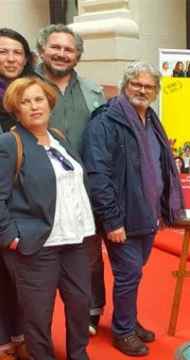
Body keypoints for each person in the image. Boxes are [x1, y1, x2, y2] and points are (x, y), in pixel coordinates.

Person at [81, 62, 184, 357]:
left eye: (149, 86)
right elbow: (98, 175)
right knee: (128, 274)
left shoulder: (151, 118)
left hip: (147, 214)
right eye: (136, 84)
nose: (142, 90)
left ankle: (127, 320)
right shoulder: (105, 122)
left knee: (134, 273)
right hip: (122, 218)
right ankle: (123, 332)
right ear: (126, 85)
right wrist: (112, 221)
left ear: (156, 91)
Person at [0, 76, 96, 360]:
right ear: (16, 110)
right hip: (36, 245)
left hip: (74, 241)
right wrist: (10, 237)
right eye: (25, 102)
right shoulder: (9, 143)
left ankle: (79, 355)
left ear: (49, 103)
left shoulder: (60, 138)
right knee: (37, 315)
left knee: (80, 305)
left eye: (38, 99)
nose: (33, 106)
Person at [35, 23, 107, 337]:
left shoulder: (93, 91)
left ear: (77, 55)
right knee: (40, 262)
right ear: (42, 50)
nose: (62, 54)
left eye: (69, 49)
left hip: (85, 190)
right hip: (38, 193)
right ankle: (34, 327)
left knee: (89, 257)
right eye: (56, 47)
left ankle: (92, 312)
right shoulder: (26, 87)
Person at [0, 28, 33, 360]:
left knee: (19, 277)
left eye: (16, 52)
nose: (10, 58)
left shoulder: (32, 93)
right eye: (2, 52)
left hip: (22, 201)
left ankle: (22, 336)